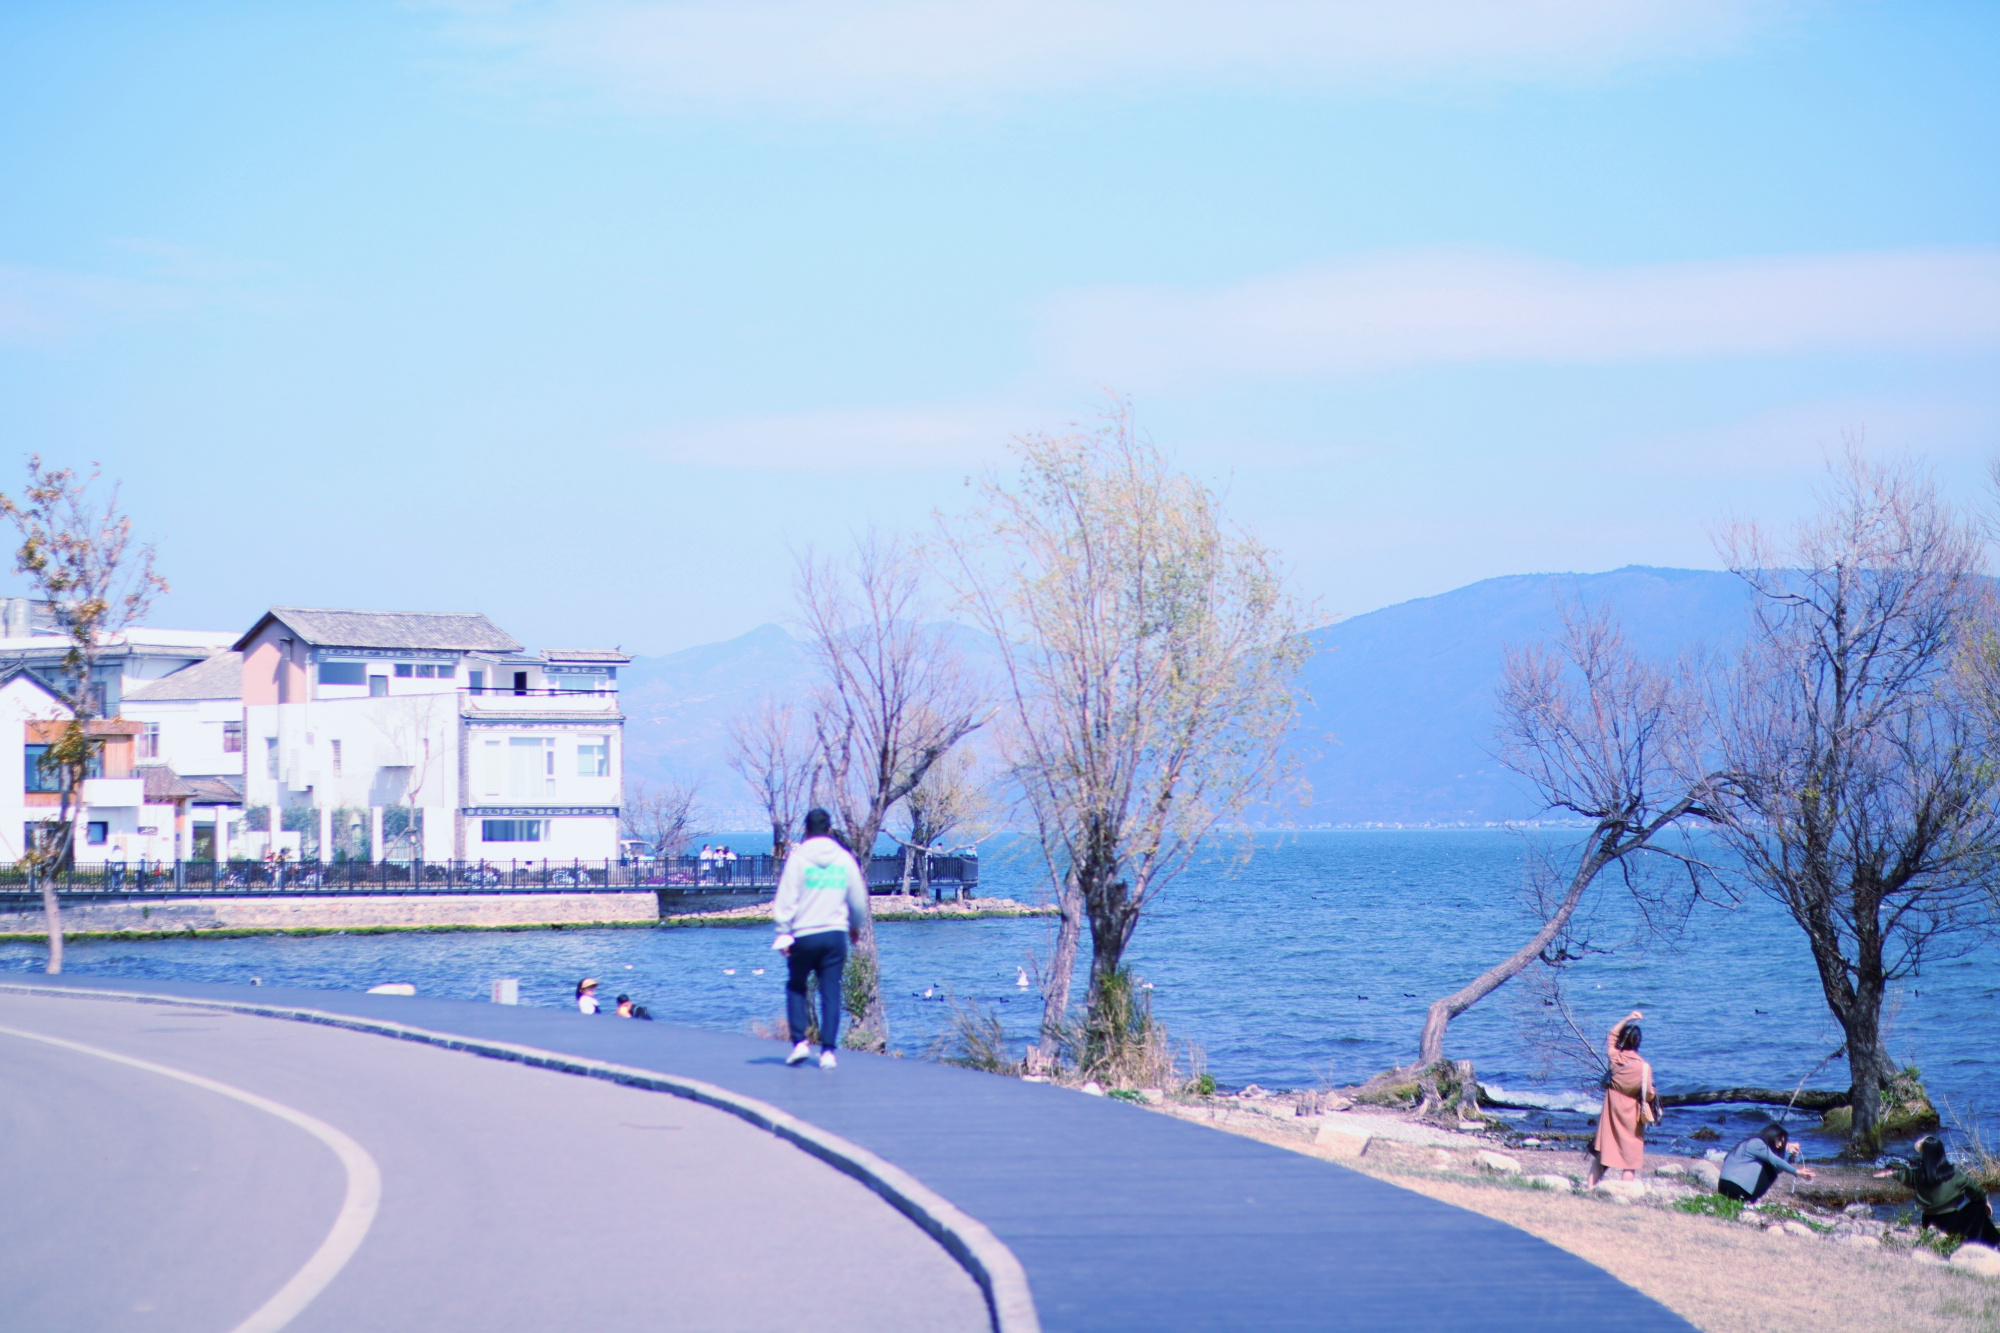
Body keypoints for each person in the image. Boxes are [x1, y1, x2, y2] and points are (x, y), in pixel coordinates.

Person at [771, 807, 869, 1070]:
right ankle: (827, 1052)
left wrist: (783, 932)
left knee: (796, 986)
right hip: (834, 934)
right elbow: (857, 898)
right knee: (830, 991)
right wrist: (854, 926)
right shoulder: (844, 858)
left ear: (806, 830)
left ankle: (800, 1043)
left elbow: (786, 897)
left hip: (804, 934)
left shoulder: (798, 859)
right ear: (829, 830)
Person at [1875, 1136, 2000, 1245]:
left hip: (1928, 1221)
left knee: (1980, 1213)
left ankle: (1993, 1240)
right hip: (1951, 1222)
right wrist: (1985, 1202)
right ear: (1942, 1153)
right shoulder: (1954, 1174)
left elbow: (1900, 1174)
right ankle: (1989, 1242)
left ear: (1925, 1155)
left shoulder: (1916, 1175)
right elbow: (1977, 1191)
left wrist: (1888, 1173)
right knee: (1979, 1206)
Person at [1588, 1010, 1661, 1186]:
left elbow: (1612, 1034)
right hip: (1631, 1112)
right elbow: (1648, 1093)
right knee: (1630, 1158)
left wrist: (1629, 1018)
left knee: (1603, 1154)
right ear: (1638, 1043)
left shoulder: (1615, 1058)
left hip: (1612, 1108)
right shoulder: (1644, 1067)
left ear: (1623, 1041)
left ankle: (1590, 1187)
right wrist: (1653, 1093)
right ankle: (1625, 1190)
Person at [1719, 1123, 1816, 1203]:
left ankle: (1748, 1200)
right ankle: (1750, 1201)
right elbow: (1776, 1162)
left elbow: (1777, 1168)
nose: (1780, 1145)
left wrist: (1792, 1157)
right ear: (1771, 1135)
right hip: (1734, 1187)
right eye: (1779, 1140)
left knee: (1771, 1168)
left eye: (1783, 1142)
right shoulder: (1757, 1143)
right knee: (1770, 1169)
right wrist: (1796, 1172)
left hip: (1726, 1185)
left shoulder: (1752, 1144)